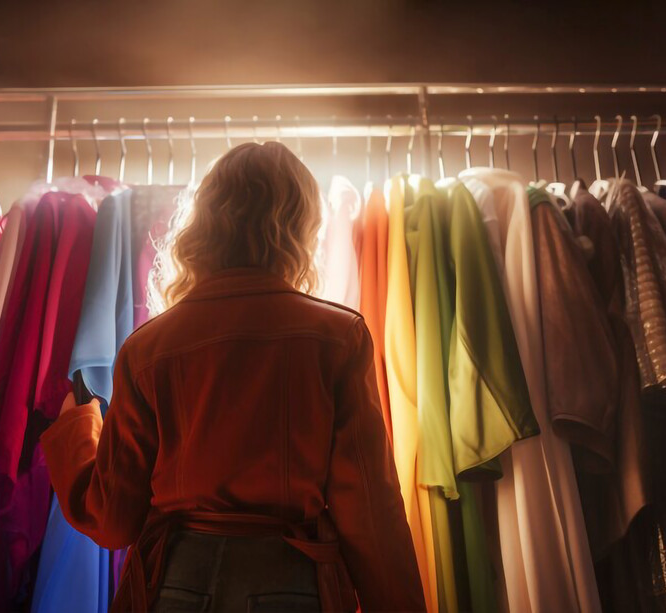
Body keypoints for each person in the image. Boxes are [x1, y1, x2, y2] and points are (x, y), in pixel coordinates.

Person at [41, 142, 425, 612]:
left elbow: (112, 519)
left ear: (203, 226)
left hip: (177, 582)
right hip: (290, 582)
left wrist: (80, 430)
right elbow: (369, 511)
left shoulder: (147, 349)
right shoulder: (337, 337)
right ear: (302, 228)